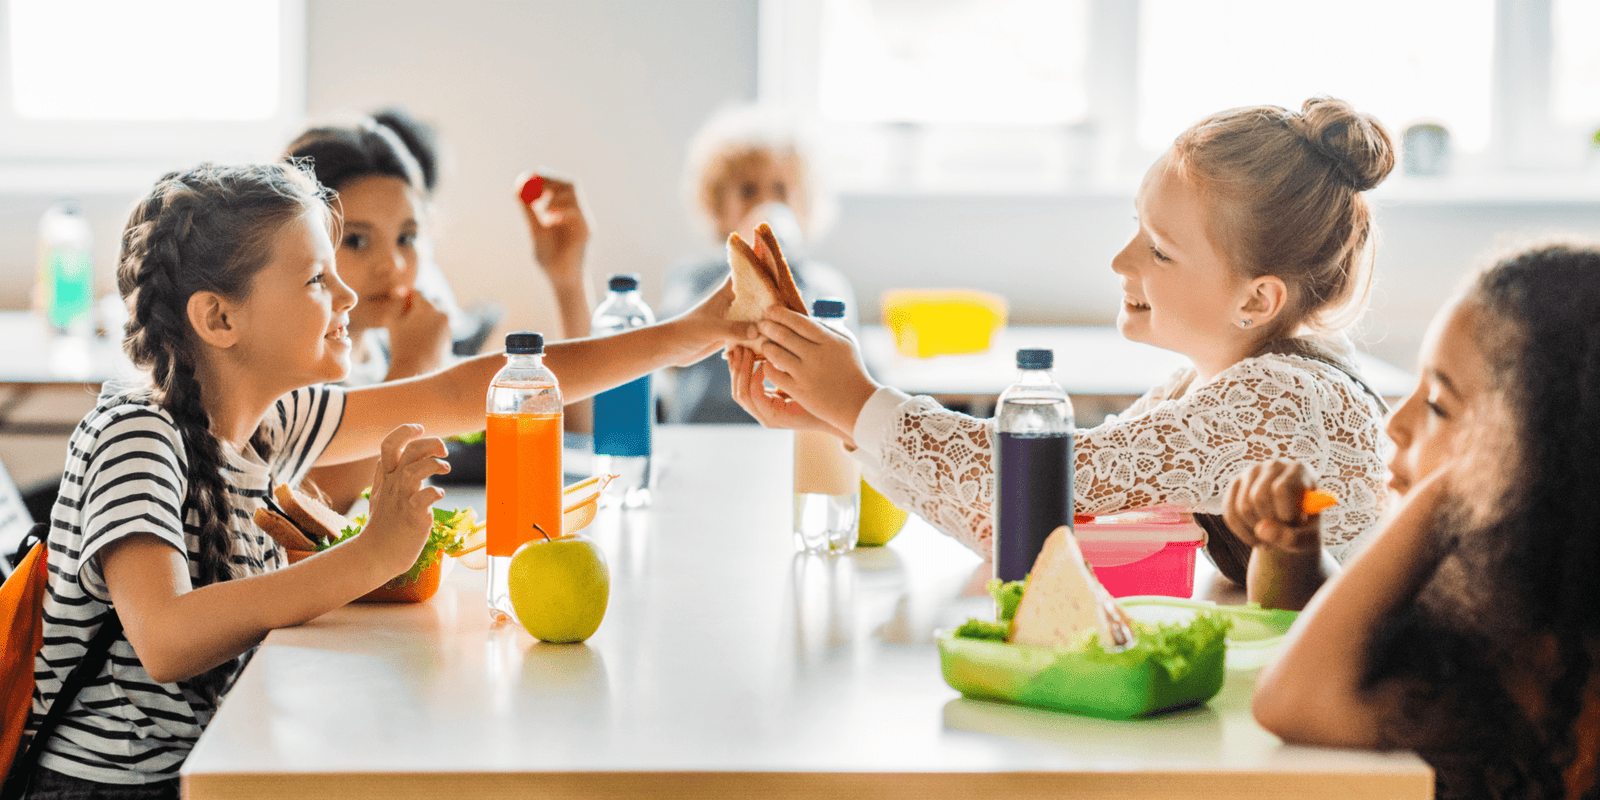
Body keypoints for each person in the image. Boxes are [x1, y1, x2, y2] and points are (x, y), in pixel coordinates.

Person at [21, 162, 743, 796]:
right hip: (116, 787)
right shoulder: (136, 434)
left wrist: (687, 336)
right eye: (315, 277)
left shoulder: (269, 420)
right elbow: (167, 637)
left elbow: (466, 393)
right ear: (218, 317)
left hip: (211, 762)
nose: (344, 295)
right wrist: (368, 554)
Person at [731, 97, 1396, 584]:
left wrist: (856, 402)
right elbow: (1029, 528)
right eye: (1136, 226)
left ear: (1258, 300)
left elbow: (1039, 487)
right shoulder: (1205, 386)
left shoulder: (1276, 402)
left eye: (1159, 252)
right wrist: (841, 416)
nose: (1120, 261)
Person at [1250, 242, 1600, 800]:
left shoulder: (1536, 672)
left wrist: (1443, 492)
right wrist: (1294, 557)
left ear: (1544, 462)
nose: (1396, 422)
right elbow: (1354, 638)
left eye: (1438, 405)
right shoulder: (1486, 606)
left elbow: (1293, 696)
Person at [284, 117, 593, 511]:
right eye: (357, 240)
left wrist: (568, 281)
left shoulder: (385, 347)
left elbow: (565, 438)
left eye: (407, 238)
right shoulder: (289, 371)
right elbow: (309, 513)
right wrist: (415, 366)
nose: (393, 265)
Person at [659, 104, 856, 424]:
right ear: (718, 207)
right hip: (705, 431)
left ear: (804, 203)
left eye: (780, 190)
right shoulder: (694, 276)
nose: (766, 203)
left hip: (792, 436)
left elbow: (844, 366)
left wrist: (783, 262)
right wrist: (747, 267)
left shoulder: (825, 283)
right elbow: (669, 347)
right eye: (748, 191)